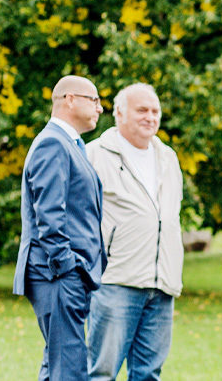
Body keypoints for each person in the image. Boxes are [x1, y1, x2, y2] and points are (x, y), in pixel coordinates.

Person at [86, 83, 185, 381]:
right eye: (142, 110)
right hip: (115, 280)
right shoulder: (94, 155)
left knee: (149, 374)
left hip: (162, 284)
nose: (150, 117)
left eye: (155, 111)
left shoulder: (168, 157)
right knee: (101, 372)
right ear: (119, 113)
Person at [13, 75, 106, 381]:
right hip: (57, 275)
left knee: (56, 367)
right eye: (94, 100)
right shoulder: (53, 143)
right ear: (69, 99)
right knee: (69, 369)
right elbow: (50, 215)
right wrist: (68, 267)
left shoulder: (71, 145)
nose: (100, 108)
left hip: (66, 275)